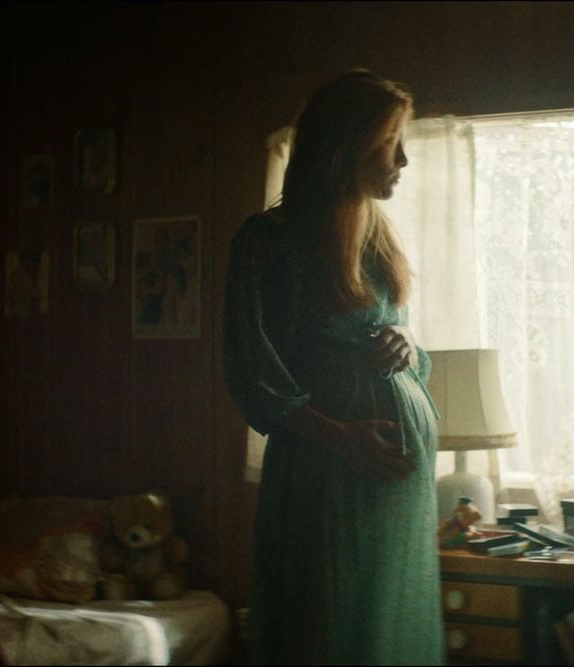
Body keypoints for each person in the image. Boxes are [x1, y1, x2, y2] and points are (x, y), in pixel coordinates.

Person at [223, 70, 441, 665]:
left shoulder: (378, 237)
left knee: (384, 632)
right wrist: (341, 438)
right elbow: (251, 371)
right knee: (327, 628)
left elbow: (396, 349)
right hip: (325, 474)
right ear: (346, 146)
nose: (403, 159)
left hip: (391, 487)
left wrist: (406, 341)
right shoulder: (269, 240)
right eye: (388, 143)